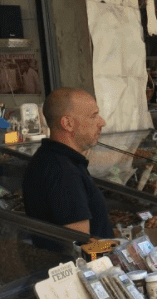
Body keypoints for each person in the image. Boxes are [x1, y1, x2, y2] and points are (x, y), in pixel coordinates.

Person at [22, 88, 112, 238]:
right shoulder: (64, 172)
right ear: (67, 123)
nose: (102, 122)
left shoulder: (49, 157)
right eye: (94, 116)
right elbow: (79, 243)